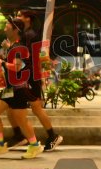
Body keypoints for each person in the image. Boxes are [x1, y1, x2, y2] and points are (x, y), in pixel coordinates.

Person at [0, 18, 43, 159]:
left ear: (15, 29)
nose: (5, 26)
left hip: (19, 89)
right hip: (11, 88)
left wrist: (1, 62)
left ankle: (34, 145)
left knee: (21, 120)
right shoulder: (14, 46)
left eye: (8, 24)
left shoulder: (19, 47)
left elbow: (17, 67)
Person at [6, 10, 62, 151]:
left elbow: (35, 55)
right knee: (11, 106)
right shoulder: (22, 34)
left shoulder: (30, 35)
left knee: (36, 108)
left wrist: (41, 70)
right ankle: (19, 135)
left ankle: (52, 136)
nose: (17, 17)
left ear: (28, 19)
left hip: (29, 77)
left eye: (20, 15)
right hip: (22, 77)